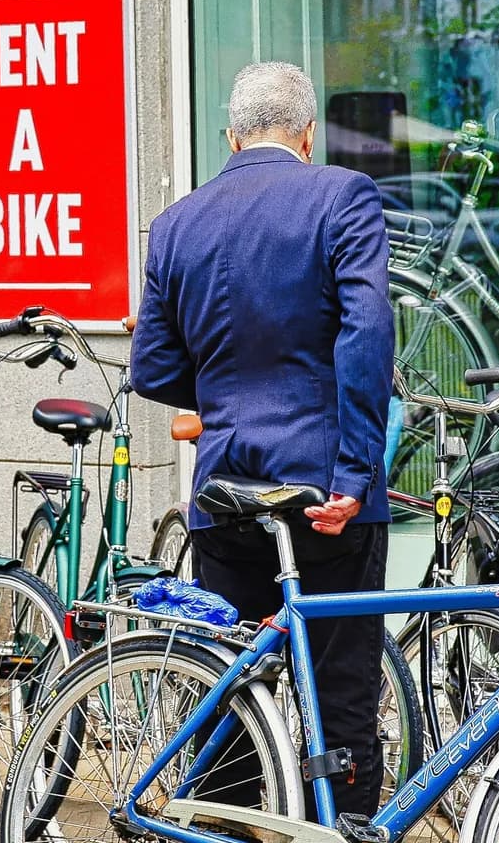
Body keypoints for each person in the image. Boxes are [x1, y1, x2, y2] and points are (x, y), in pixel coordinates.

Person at [132, 60, 393, 821]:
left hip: (226, 495)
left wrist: (226, 398)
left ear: (231, 135)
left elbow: (153, 367)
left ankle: (223, 827)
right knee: (341, 698)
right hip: (324, 495)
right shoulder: (341, 196)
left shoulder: (179, 221)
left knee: (233, 702)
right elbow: (366, 335)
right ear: (307, 135)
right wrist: (355, 468)